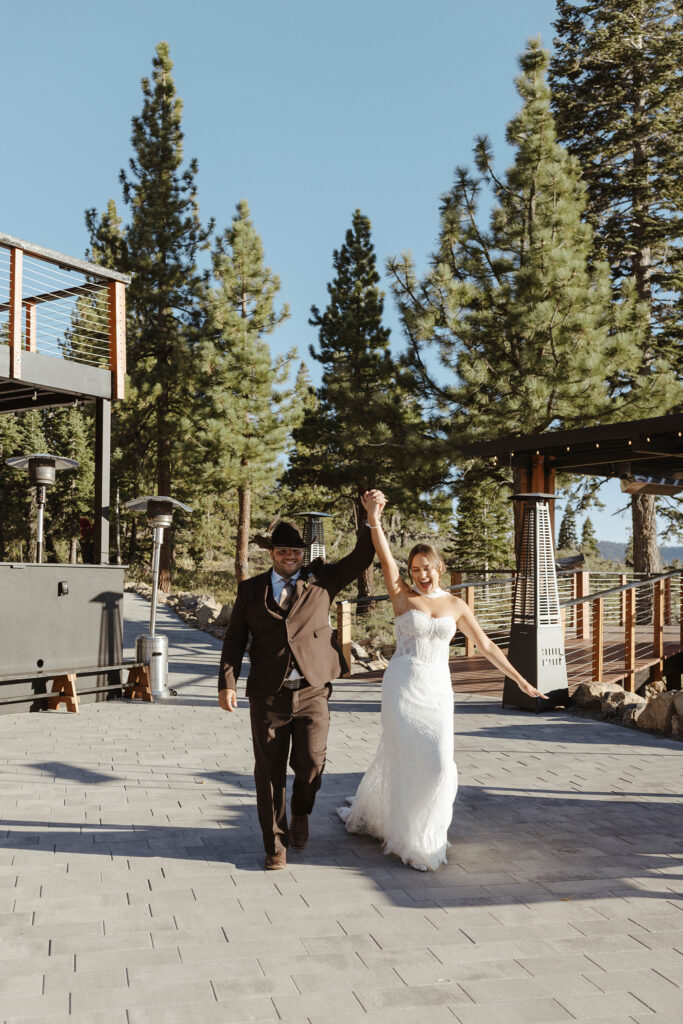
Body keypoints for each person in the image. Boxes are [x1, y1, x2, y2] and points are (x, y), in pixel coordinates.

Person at [338, 489, 545, 872]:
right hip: (402, 686)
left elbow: (485, 646)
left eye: (427, 567)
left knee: (437, 761)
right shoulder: (402, 596)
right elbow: (384, 556)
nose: (421, 574)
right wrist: (374, 519)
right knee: (405, 758)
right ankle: (409, 838)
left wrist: (518, 679)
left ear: (440, 567)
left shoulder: (456, 604)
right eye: (415, 568)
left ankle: (429, 831)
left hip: (436, 691)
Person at [218, 498, 385, 870]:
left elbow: (362, 557)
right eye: (282, 550)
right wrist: (227, 682)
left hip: (313, 690)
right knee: (269, 773)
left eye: (295, 551)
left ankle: (301, 811)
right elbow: (233, 638)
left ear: (301, 553)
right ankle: (275, 845)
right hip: (268, 694)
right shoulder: (251, 591)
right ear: (272, 554)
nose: (289, 556)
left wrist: (371, 519)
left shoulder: (322, 580)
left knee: (311, 764)